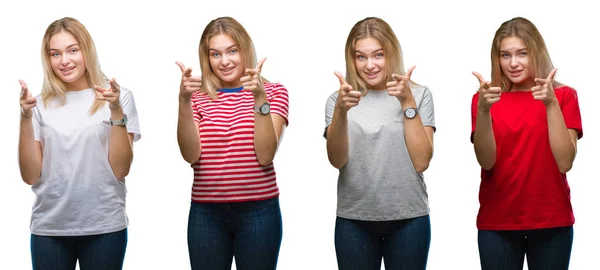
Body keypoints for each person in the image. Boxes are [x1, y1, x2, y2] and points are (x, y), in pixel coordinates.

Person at [18, 17, 141, 270]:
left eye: (73, 50)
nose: (64, 61)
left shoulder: (119, 97)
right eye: (55, 53)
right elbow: (30, 175)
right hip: (49, 228)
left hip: (104, 227)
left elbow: (121, 169)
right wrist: (25, 117)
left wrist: (115, 109)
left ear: (87, 50)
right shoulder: (39, 104)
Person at [175, 16, 289, 270]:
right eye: (215, 54)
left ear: (245, 50)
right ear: (207, 58)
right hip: (206, 214)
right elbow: (190, 155)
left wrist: (259, 96)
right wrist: (184, 101)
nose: (224, 61)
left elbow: (265, 155)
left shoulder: (274, 92)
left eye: (232, 51)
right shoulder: (198, 97)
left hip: (259, 212)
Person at [471, 17, 582, 270]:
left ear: (536, 52)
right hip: (497, 222)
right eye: (505, 55)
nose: (513, 63)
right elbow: (486, 161)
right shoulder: (484, 99)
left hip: (551, 221)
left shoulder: (564, 96)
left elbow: (565, 162)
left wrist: (551, 104)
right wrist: (485, 111)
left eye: (522, 53)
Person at [324, 17, 435, 270]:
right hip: (354, 220)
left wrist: (407, 103)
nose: (370, 65)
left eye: (378, 55)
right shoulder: (338, 101)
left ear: (391, 53)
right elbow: (336, 160)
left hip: (409, 218)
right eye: (361, 57)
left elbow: (422, 161)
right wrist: (341, 113)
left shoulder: (419, 95)